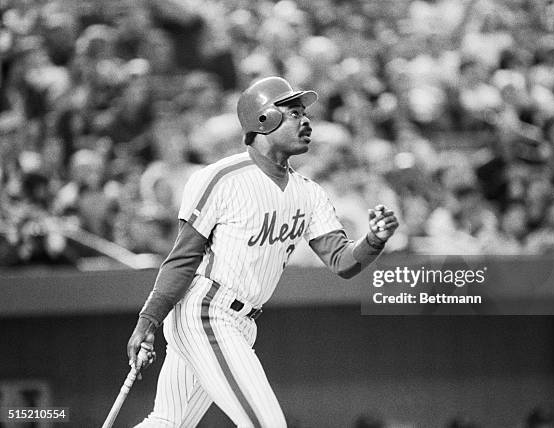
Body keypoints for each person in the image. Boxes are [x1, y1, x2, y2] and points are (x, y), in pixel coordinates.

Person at [126, 76, 399, 427]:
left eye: (305, 113)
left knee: (167, 422)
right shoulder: (220, 177)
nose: (307, 121)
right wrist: (148, 320)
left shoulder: (309, 192)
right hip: (207, 312)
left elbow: (342, 262)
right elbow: (183, 257)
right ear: (264, 119)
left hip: (242, 322)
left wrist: (373, 239)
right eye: (295, 112)